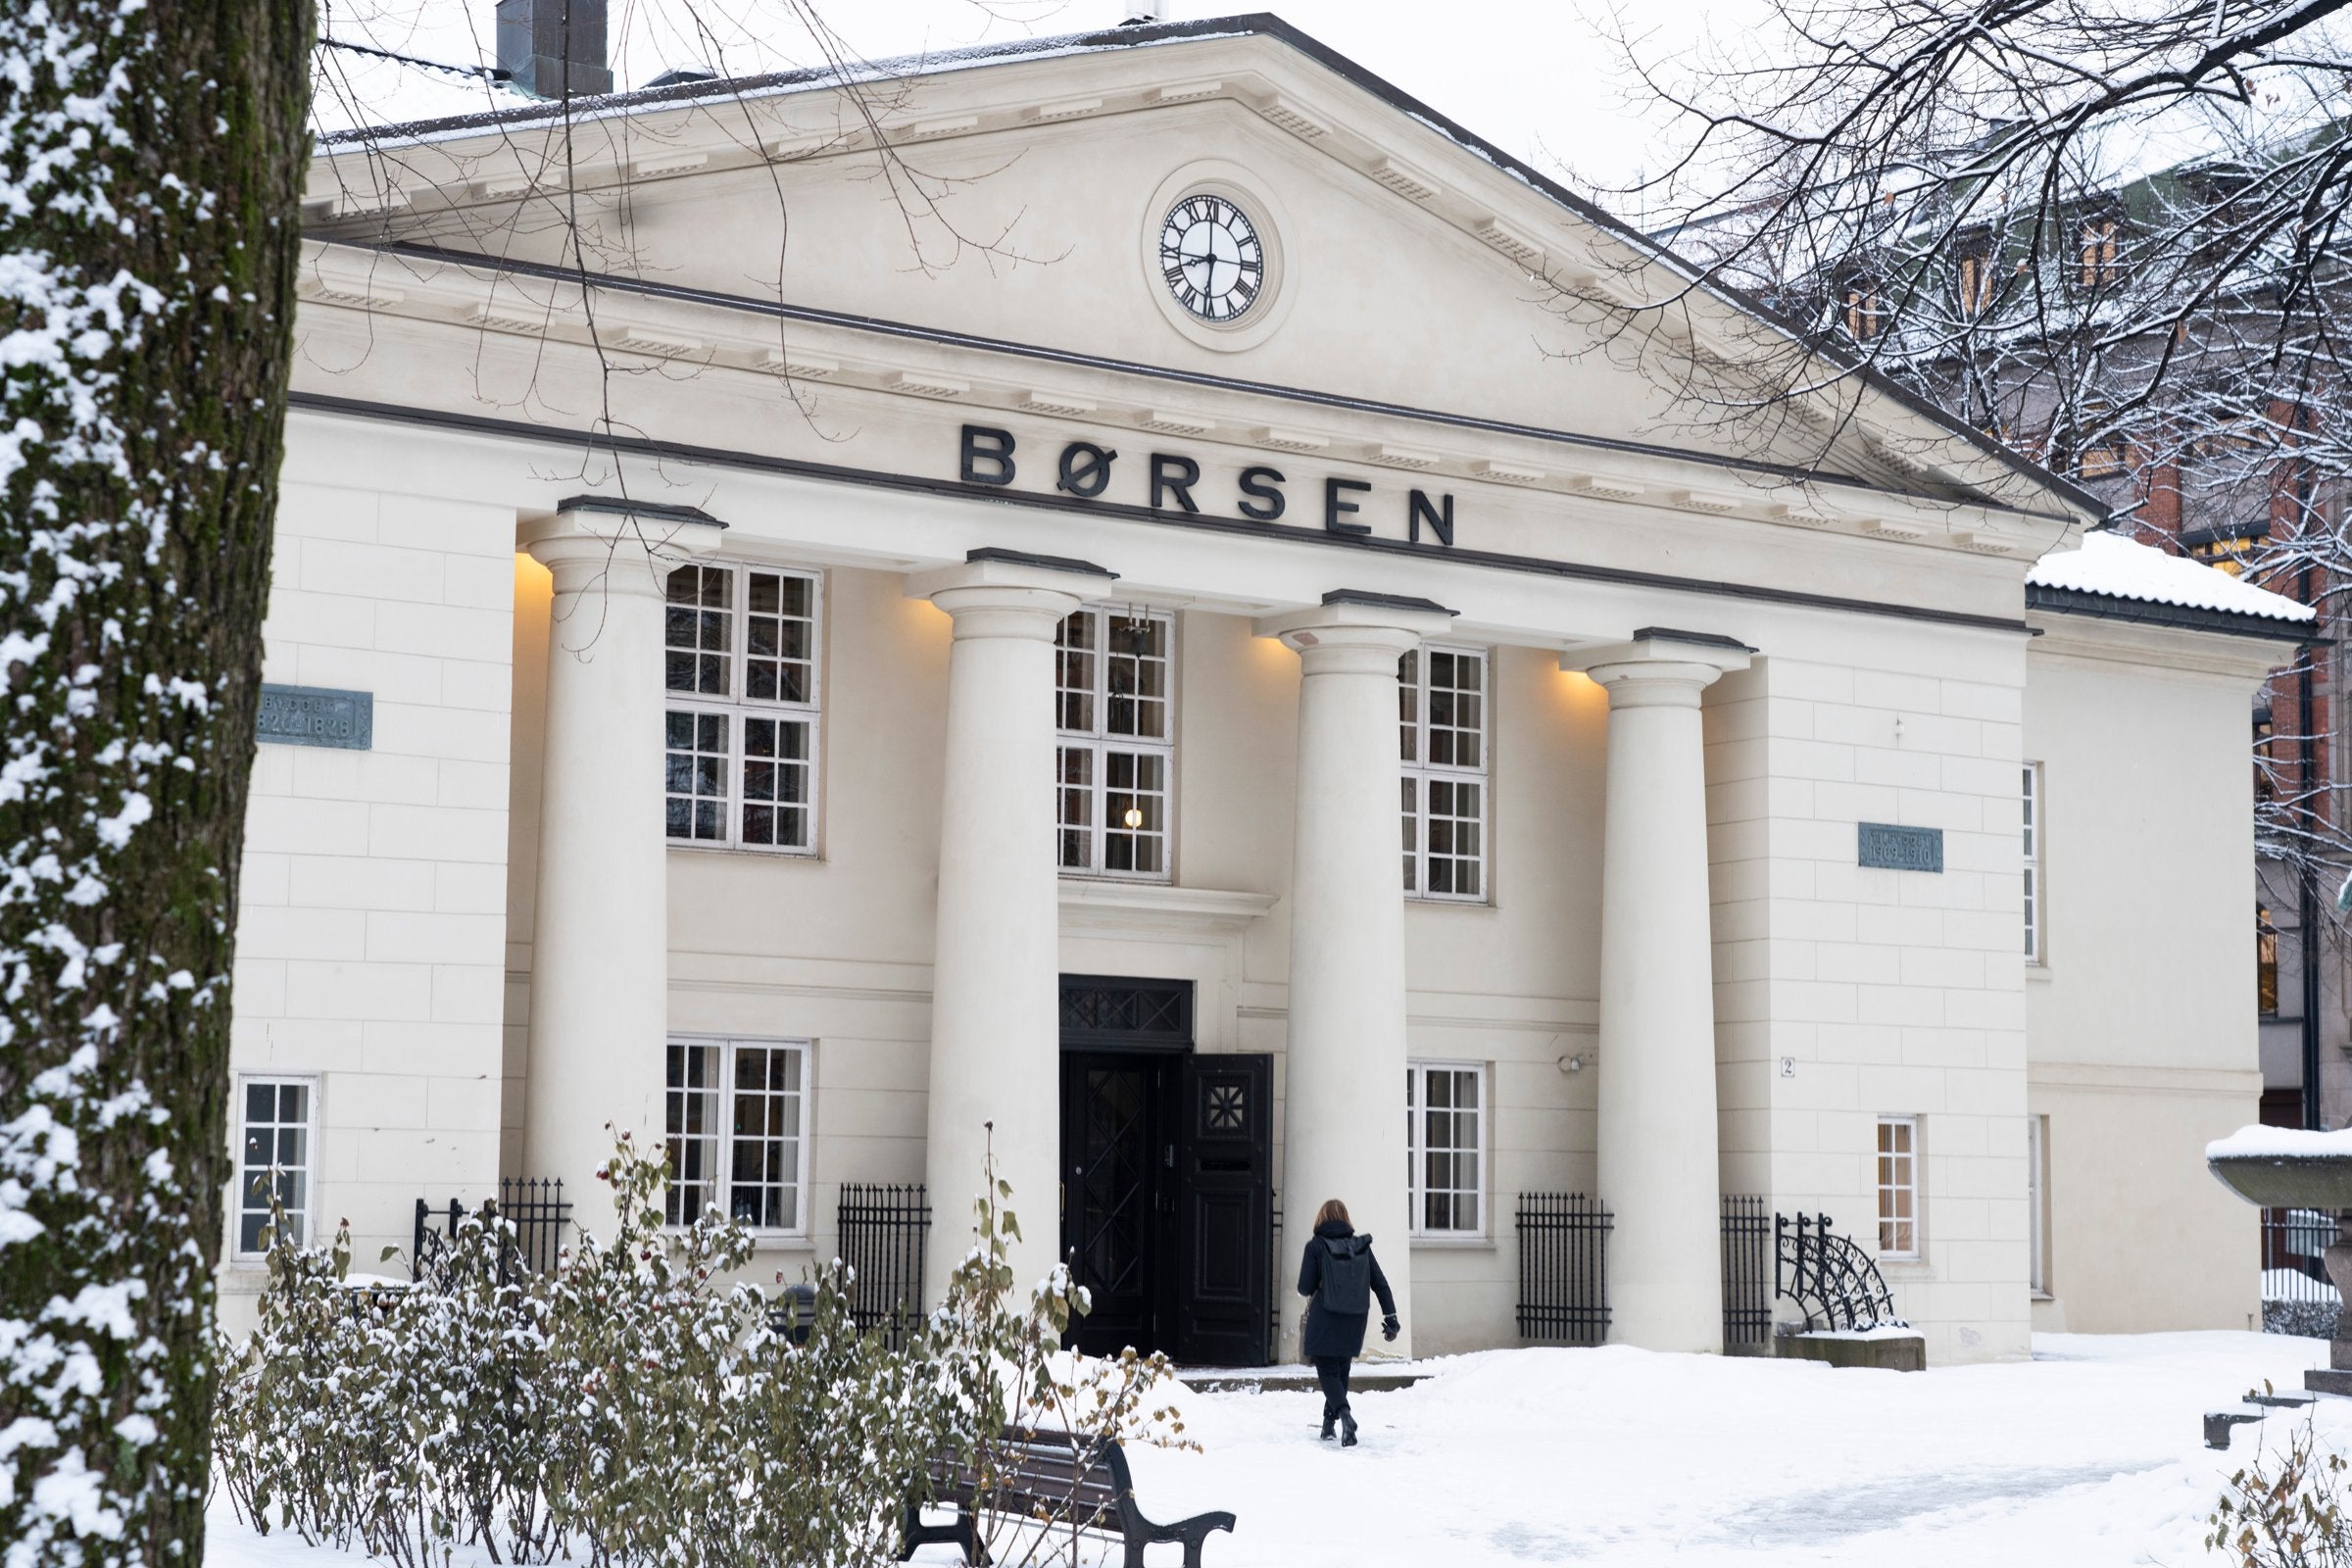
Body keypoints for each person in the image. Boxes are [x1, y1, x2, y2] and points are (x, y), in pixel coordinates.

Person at [1296, 1198, 1398, 1446]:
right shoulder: (1361, 1247)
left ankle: (1345, 1415)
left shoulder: (1315, 1247)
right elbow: (1380, 1283)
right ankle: (1328, 1424)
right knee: (1341, 1368)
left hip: (1325, 1316)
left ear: (1321, 1219)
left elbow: (1304, 1287)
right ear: (1346, 1219)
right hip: (1356, 1318)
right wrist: (1391, 1318)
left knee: (1327, 1370)